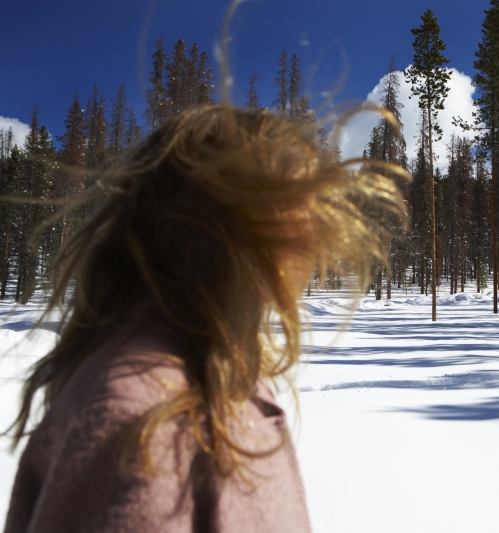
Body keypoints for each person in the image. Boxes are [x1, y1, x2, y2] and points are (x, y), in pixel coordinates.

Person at [3, 104, 406, 532]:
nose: (316, 230)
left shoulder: (214, 364)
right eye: (293, 204)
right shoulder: (140, 421)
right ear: (219, 223)